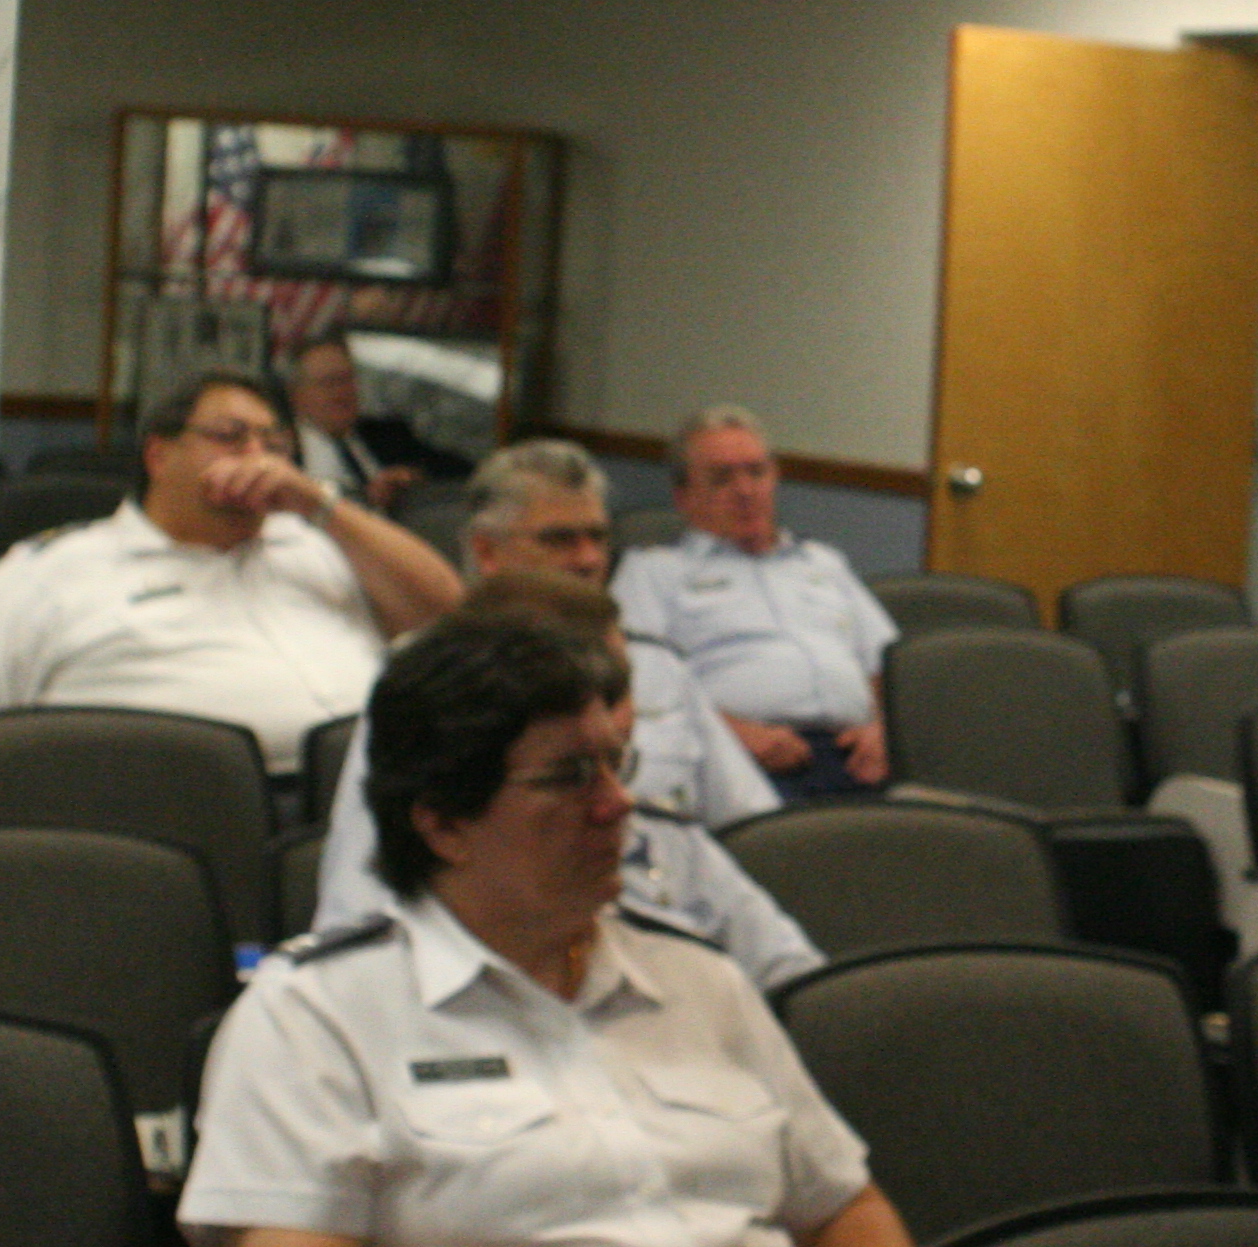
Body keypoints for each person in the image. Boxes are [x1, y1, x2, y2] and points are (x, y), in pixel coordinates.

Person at [179, 610, 910, 1247]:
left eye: (616, 765)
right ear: (444, 823)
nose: (618, 804)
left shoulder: (701, 981)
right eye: (570, 777)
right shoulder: (315, 1016)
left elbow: (840, 1210)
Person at [312, 441, 777, 940]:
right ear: (486, 552)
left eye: (598, 537)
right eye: (559, 540)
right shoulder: (430, 680)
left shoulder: (658, 666)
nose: (588, 559)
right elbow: (361, 886)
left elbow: (758, 831)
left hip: (676, 933)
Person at [315, 568, 820, 992]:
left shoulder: (671, 850)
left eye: (618, 690)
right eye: (567, 776)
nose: (615, 720)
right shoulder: (334, 994)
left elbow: (793, 981)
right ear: (446, 826)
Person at [0, 370, 463, 775]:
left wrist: (319, 505)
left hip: (368, 789)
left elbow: (448, 617)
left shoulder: (320, 544)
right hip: (159, 809)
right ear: (159, 456)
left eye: (274, 444)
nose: (257, 457)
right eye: (230, 437)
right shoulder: (53, 570)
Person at [612, 406, 897, 799]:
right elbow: (646, 686)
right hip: (735, 762)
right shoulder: (654, 571)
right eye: (722, 478)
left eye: (756, 472)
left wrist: (882, 729)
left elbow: (886, 664)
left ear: (775, 477)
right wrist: (732, 734)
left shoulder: (822, 562)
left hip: (856, 757)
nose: (745, 491)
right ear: (683, 496)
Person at [284, 333, 465, 512]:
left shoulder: (387, 434)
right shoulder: (285, 450)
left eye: (347, 379)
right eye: (329, 383)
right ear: (296, 394)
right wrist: (366, 500)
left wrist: (411, 476)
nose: (341, 393)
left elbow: (457, 468)